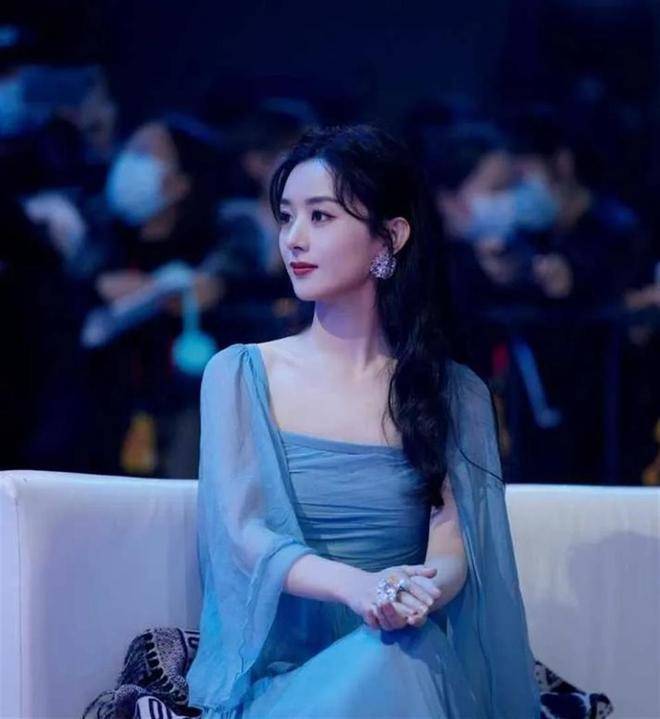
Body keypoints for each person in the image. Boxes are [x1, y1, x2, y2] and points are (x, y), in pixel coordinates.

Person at [185, 124, 539, 718]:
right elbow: (242, 536)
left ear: (390, 236)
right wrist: (358, 587)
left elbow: (453, 553)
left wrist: (407, 596)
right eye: (286, 217)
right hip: (286, 677)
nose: (294, 239)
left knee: (401, 653)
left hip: (405, 648)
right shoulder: (241, 373)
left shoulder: (453, 393)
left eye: (320, 217)